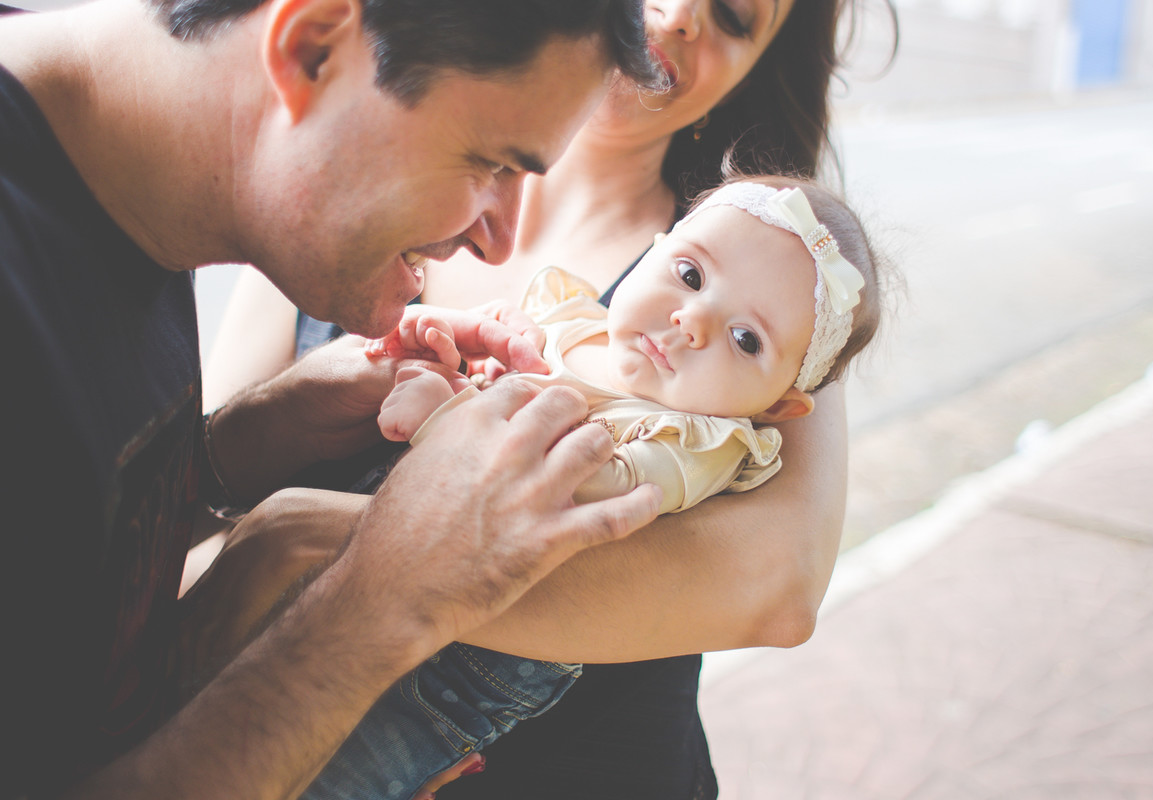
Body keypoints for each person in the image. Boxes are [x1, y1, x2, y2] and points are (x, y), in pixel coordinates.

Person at [205, 1, 899, 797]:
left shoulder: (781, 279)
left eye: (735, 16)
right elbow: (191, 497)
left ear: (761, 64)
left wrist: (308, 538)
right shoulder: (350, 163)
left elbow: (778, 591)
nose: (676, 18)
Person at [0, 0, 663, 797]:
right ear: (312, 48)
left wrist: (231, 450)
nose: (500, 239)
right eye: (490, 163)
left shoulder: (116, 172)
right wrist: (377, 608)